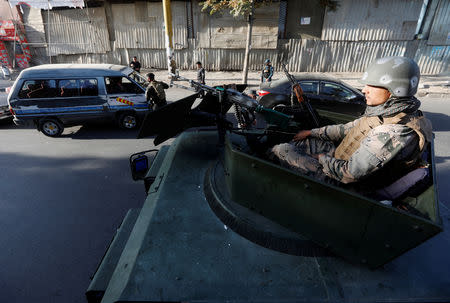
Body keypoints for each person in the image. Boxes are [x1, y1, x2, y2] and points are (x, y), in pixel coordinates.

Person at [269, 56, 432, 190]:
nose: (364, 90)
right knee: (302, 141)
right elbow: (346, 129)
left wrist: (320, 158)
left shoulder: (394, 131)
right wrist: (311, 132)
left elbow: (349, 174)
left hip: (342, 182)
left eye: (373, 86)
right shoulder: (386, 112)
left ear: (395, 90)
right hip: (340, 156)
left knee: (281, 149)